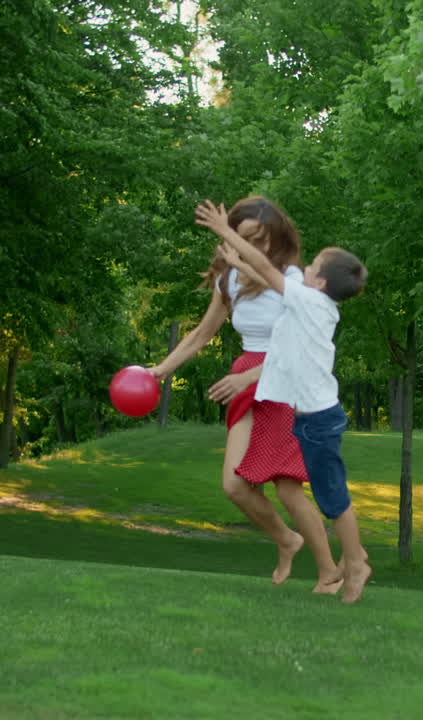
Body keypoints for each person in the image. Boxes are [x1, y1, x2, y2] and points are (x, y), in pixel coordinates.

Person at [147, 196, 343, 594]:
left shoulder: (291, 280)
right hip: (247, 382)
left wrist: (253, 376)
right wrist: (159, 371)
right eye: (249, 239)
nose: (260, 248)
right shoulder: (230, 280)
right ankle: (287, 540)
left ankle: (329, 573)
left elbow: (300, 347)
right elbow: (201, 335)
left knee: (288, 488)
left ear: (278, 239)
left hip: (285, 381)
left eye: (264, 239)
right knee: (235, 486)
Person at [196, 198, 373, 604]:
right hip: (312, 416)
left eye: (310, 269)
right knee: (323, 494)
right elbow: (261, 270)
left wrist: (224, 230)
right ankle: (347, 560)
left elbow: (269, 271)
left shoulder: (307, 300)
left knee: (333, 498)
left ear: (320, 284)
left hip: (316, 418)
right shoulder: (316, 304)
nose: (302, 269)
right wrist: (238, 266)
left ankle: (355, 561)